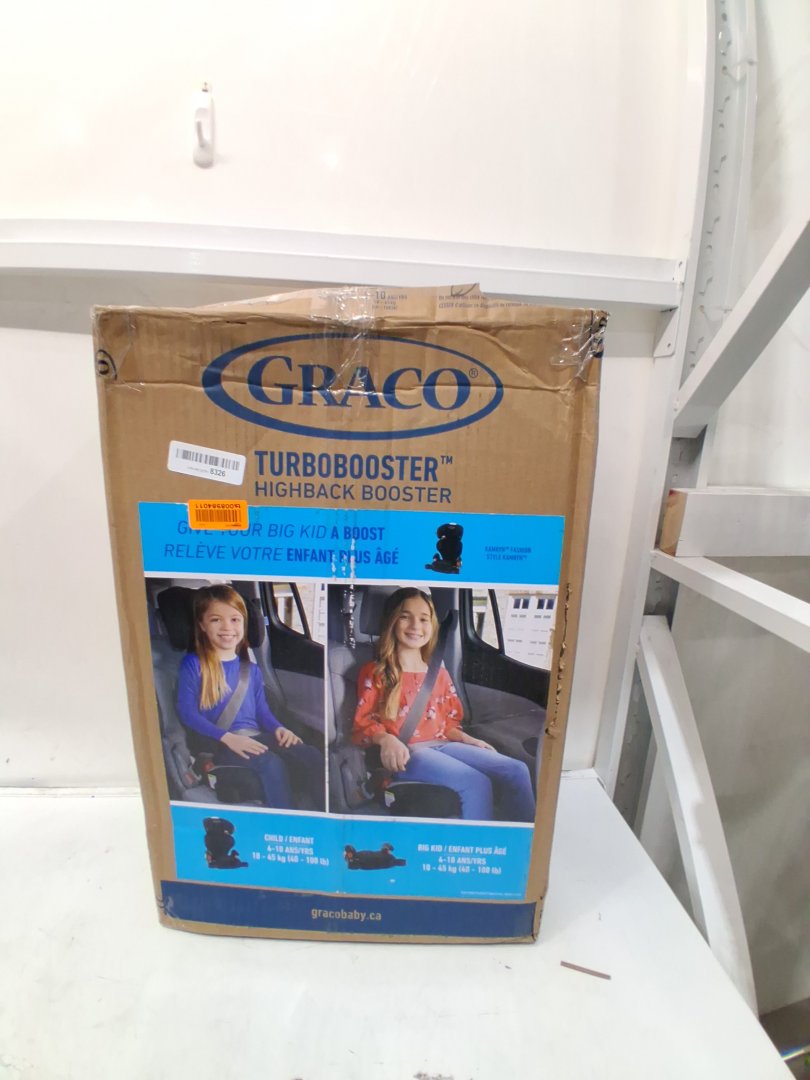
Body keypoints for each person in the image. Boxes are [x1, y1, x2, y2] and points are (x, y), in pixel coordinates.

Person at [351, 588, 535, 822]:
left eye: (424, 619)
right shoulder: (377, 672)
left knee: (517, 770)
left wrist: (469, 740)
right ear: (392, 621)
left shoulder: (439, 673)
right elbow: (363, 723)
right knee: (476, 782)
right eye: (405, 617)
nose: (415, 626)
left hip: (443, 745)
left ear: (433, 625)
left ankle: (523, 839)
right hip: (408, 752)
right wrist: (386, 739)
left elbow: (448, 724)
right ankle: (474, 842)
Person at [176, 585, 324, 810]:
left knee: (311, 755)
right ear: (202, 625)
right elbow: (187, 713)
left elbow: (262, 712)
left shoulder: (250, 669)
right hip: (219, 745)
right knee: (271, 763)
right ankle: (284, 821)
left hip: (254, 737)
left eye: (235, 619)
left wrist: (279, 729)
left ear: (244, 623)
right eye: (216, 620)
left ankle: (321, 816)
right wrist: (228, 738)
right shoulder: (193, 664)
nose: (227, 627)